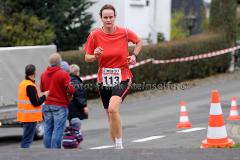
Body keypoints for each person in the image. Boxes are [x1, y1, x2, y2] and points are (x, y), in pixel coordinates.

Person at [84, 4, 142, 149]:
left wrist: (134, 55)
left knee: (113, 109)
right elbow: (87, 58)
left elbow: (139, 42)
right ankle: (116, 147)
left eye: (111, 17)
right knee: (109, 115)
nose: (108, 20)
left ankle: (119, 144)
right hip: (103, 79)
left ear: (115, 17)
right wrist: (95, 54)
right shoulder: (94, 35)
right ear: (101, 18)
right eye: (105, 17)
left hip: (123, 76)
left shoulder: (125, 33)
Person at [40, 53, 74, 149]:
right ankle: (55, 153)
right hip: (60, 105)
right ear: (60, 62)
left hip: (46, 105)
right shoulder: (63, 74)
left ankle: (48, 151)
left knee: (47, 129)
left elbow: (42, 89)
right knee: (58, 130)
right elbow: (70, 89)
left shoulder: (43, 74)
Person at [17, 64, 49, 148]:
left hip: (25, 117)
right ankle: (24, 156)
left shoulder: (23, 83)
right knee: (27, 141)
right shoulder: (30, 86)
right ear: (34, 73)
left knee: (26, 139)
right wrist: (45, 96)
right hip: (30, 118)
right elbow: (36, 102)